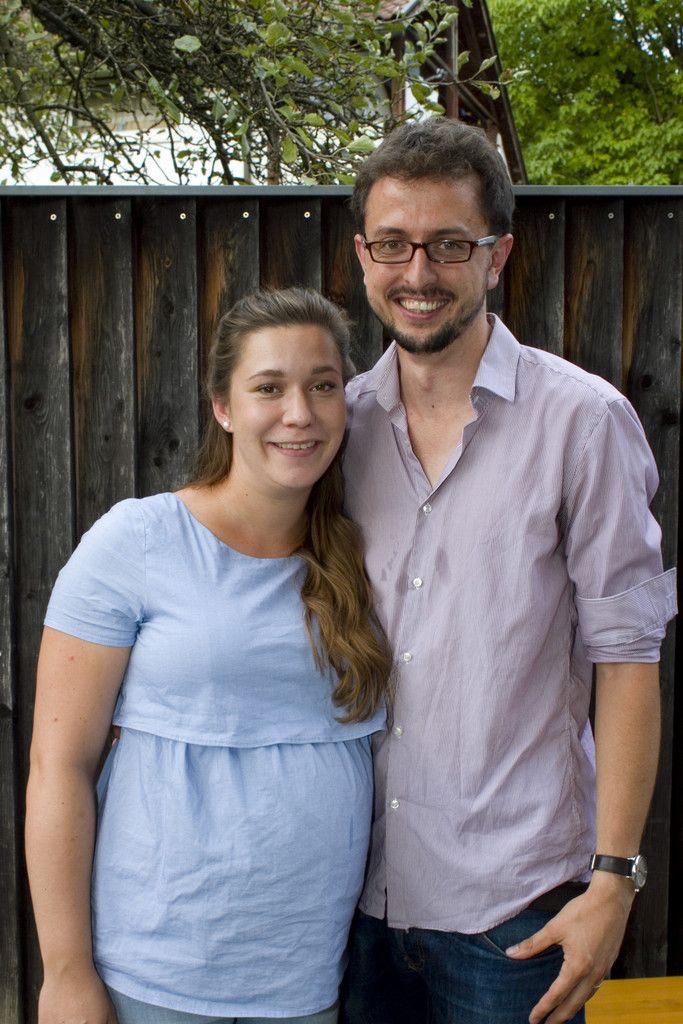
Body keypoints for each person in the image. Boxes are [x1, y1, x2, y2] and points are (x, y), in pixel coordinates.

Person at [340, 118, 677, 1024]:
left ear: (497, 256)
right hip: (345, 909)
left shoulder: (583, 425)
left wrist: (613, 884)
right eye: (394, 245)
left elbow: (627, 659)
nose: (417, 274)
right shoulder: (333, 430)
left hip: (513, 917)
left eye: (449, 245)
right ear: (362, 252)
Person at [25, 287, 393, 1024]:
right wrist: (66, 973)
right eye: (269, 388)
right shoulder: (135, 543)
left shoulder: (365, 551)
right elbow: (57, 766)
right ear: (223, 407)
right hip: (152, 971)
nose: (299, 413)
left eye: (323, 386)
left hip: (306, 975)